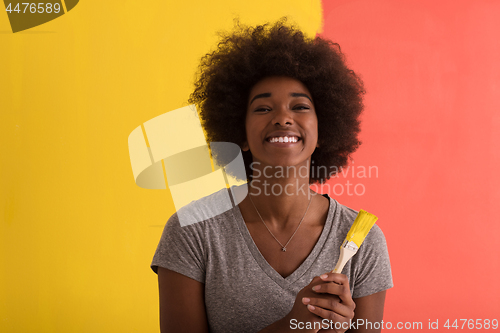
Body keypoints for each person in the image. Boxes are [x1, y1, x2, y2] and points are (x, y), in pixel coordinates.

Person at [151, 19, 393, 333]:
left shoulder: (362, 241)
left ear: (323, 132)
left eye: (300, 106)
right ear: (239, 133)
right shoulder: (193, 232)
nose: (282, 118)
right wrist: (292, 327)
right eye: (264, 108)